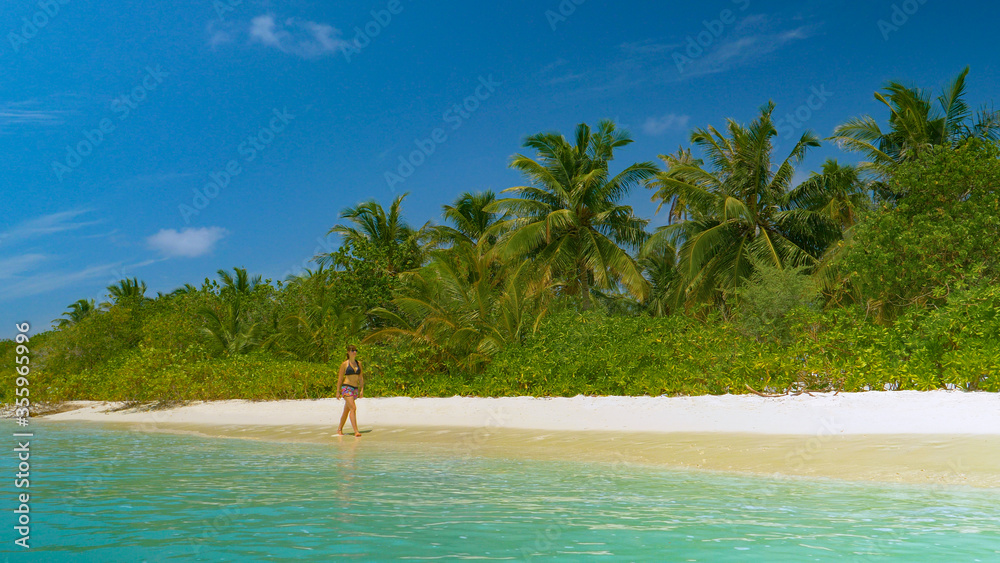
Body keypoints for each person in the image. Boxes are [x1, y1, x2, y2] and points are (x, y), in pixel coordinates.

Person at [336, 344, 365, 437]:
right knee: (353, 408)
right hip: (346, 387)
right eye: (352, 350)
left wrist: (362, 389)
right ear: (348, 352)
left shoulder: (359, 363)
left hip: (355, 388)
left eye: (356, 350)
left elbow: (360, 378)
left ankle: (339, 429)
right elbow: (340, 379)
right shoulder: (345, 364)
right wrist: (337, 391)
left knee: (347, 410)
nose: (355, 352)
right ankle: (356, 431)